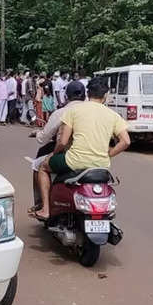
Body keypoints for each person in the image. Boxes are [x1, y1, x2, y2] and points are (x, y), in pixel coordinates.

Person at [34, 77, 130, 220]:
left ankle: (46, 209)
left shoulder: (74, 111)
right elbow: (126, 141)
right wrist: (108, 154)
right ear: (105, 96)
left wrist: (53, 155)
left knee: (42, 167)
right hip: (101, 166)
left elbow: (62, 141)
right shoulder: (113, 115)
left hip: (74, 162)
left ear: (88, 93)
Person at [28, 81, 86, 212]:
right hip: (95, 155)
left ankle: (43, 206)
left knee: (38, 165)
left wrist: (39, 135)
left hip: (71, 155)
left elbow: (56, 141)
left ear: (66, 96)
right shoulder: (94, 112)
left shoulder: (63, 112)